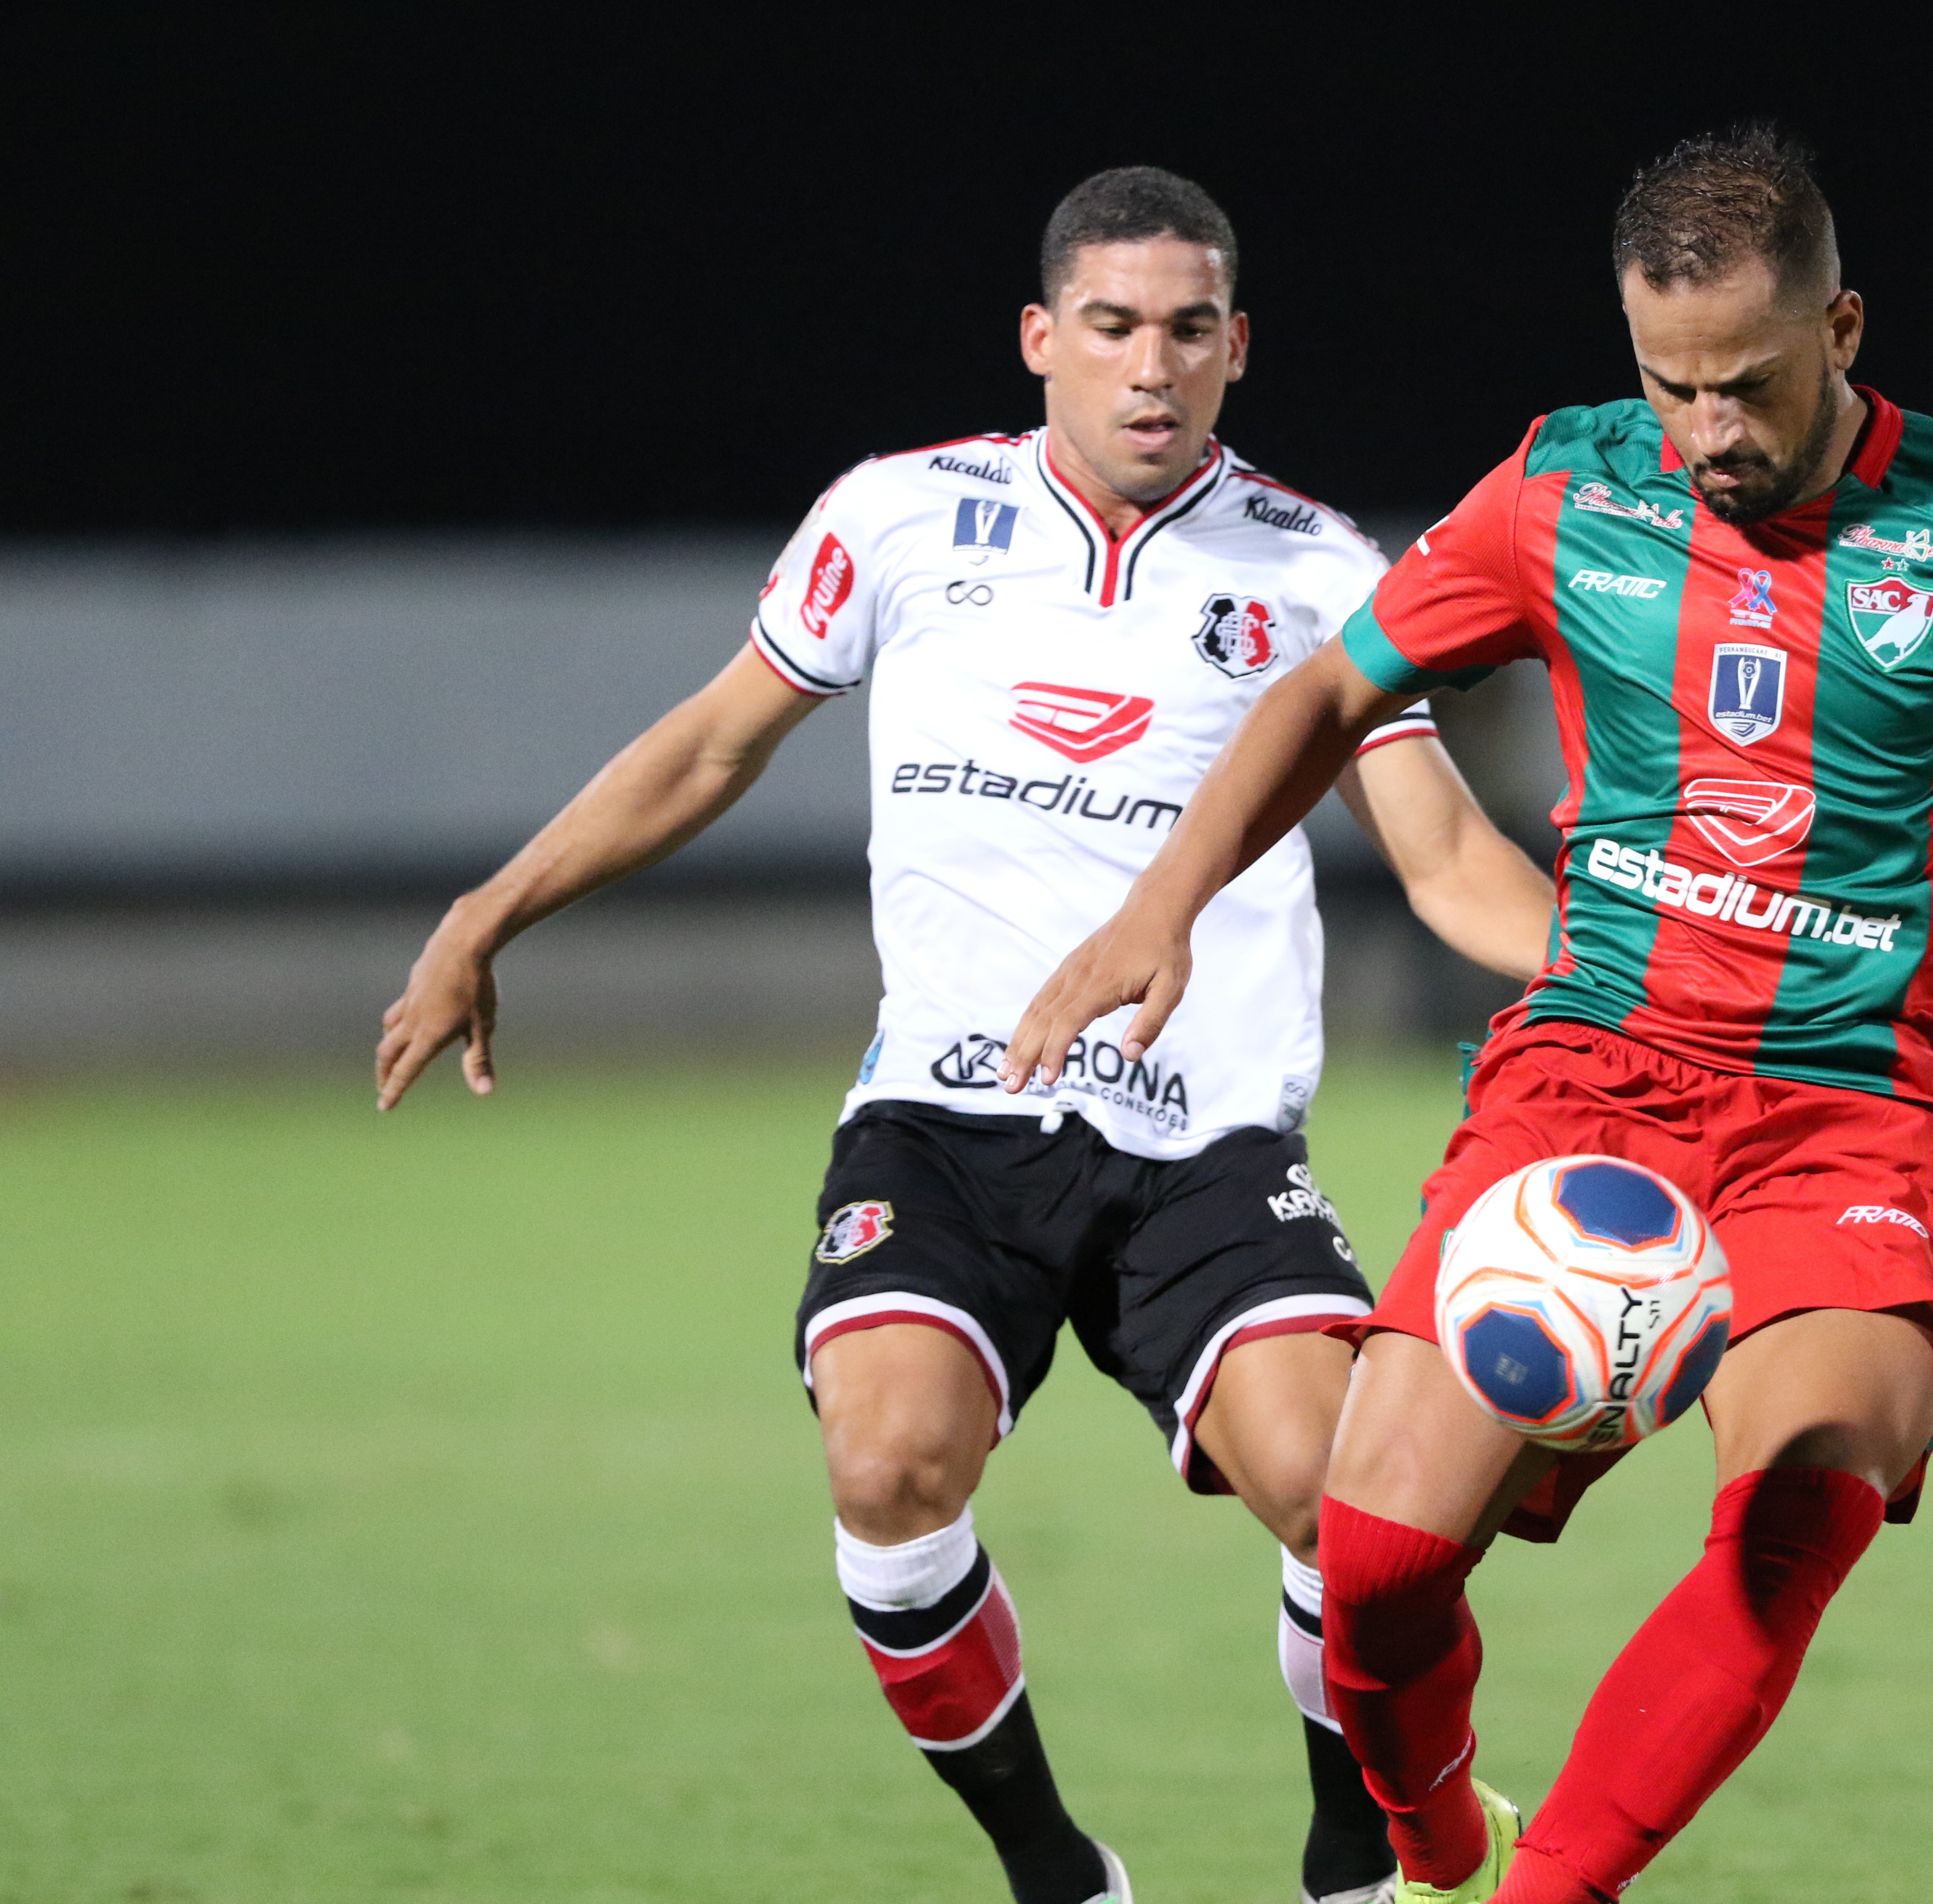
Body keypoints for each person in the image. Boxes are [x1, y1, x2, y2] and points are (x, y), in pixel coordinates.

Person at [1001, 126, 1933, 1904]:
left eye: (1752, 384)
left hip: (1851, 1114)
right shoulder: (1569, 487)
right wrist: (1162, 903)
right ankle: (1432, 1817)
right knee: (1375, 1561)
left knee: (1800, 1499)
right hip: (1590, 1078)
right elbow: (1337, 685)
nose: (1710, 430)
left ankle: (1556, 1890)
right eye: (1672, 383)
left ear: (1843, 328)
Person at [375, 166, 1556, 1904]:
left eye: (1186, 331)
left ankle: (1349, 1860)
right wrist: (490, 913)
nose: (1149, 367)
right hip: (951, 1122)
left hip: (1207, 1145)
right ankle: (1058, 1875)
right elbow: (716, 744)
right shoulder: (901, 519)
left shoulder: (1317, 572)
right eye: (1111, 328)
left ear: (1239, 349)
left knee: (1343, 1501)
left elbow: (1448, 856)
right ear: (1040, 339)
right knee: (888, 1457)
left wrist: (1666, 1000)